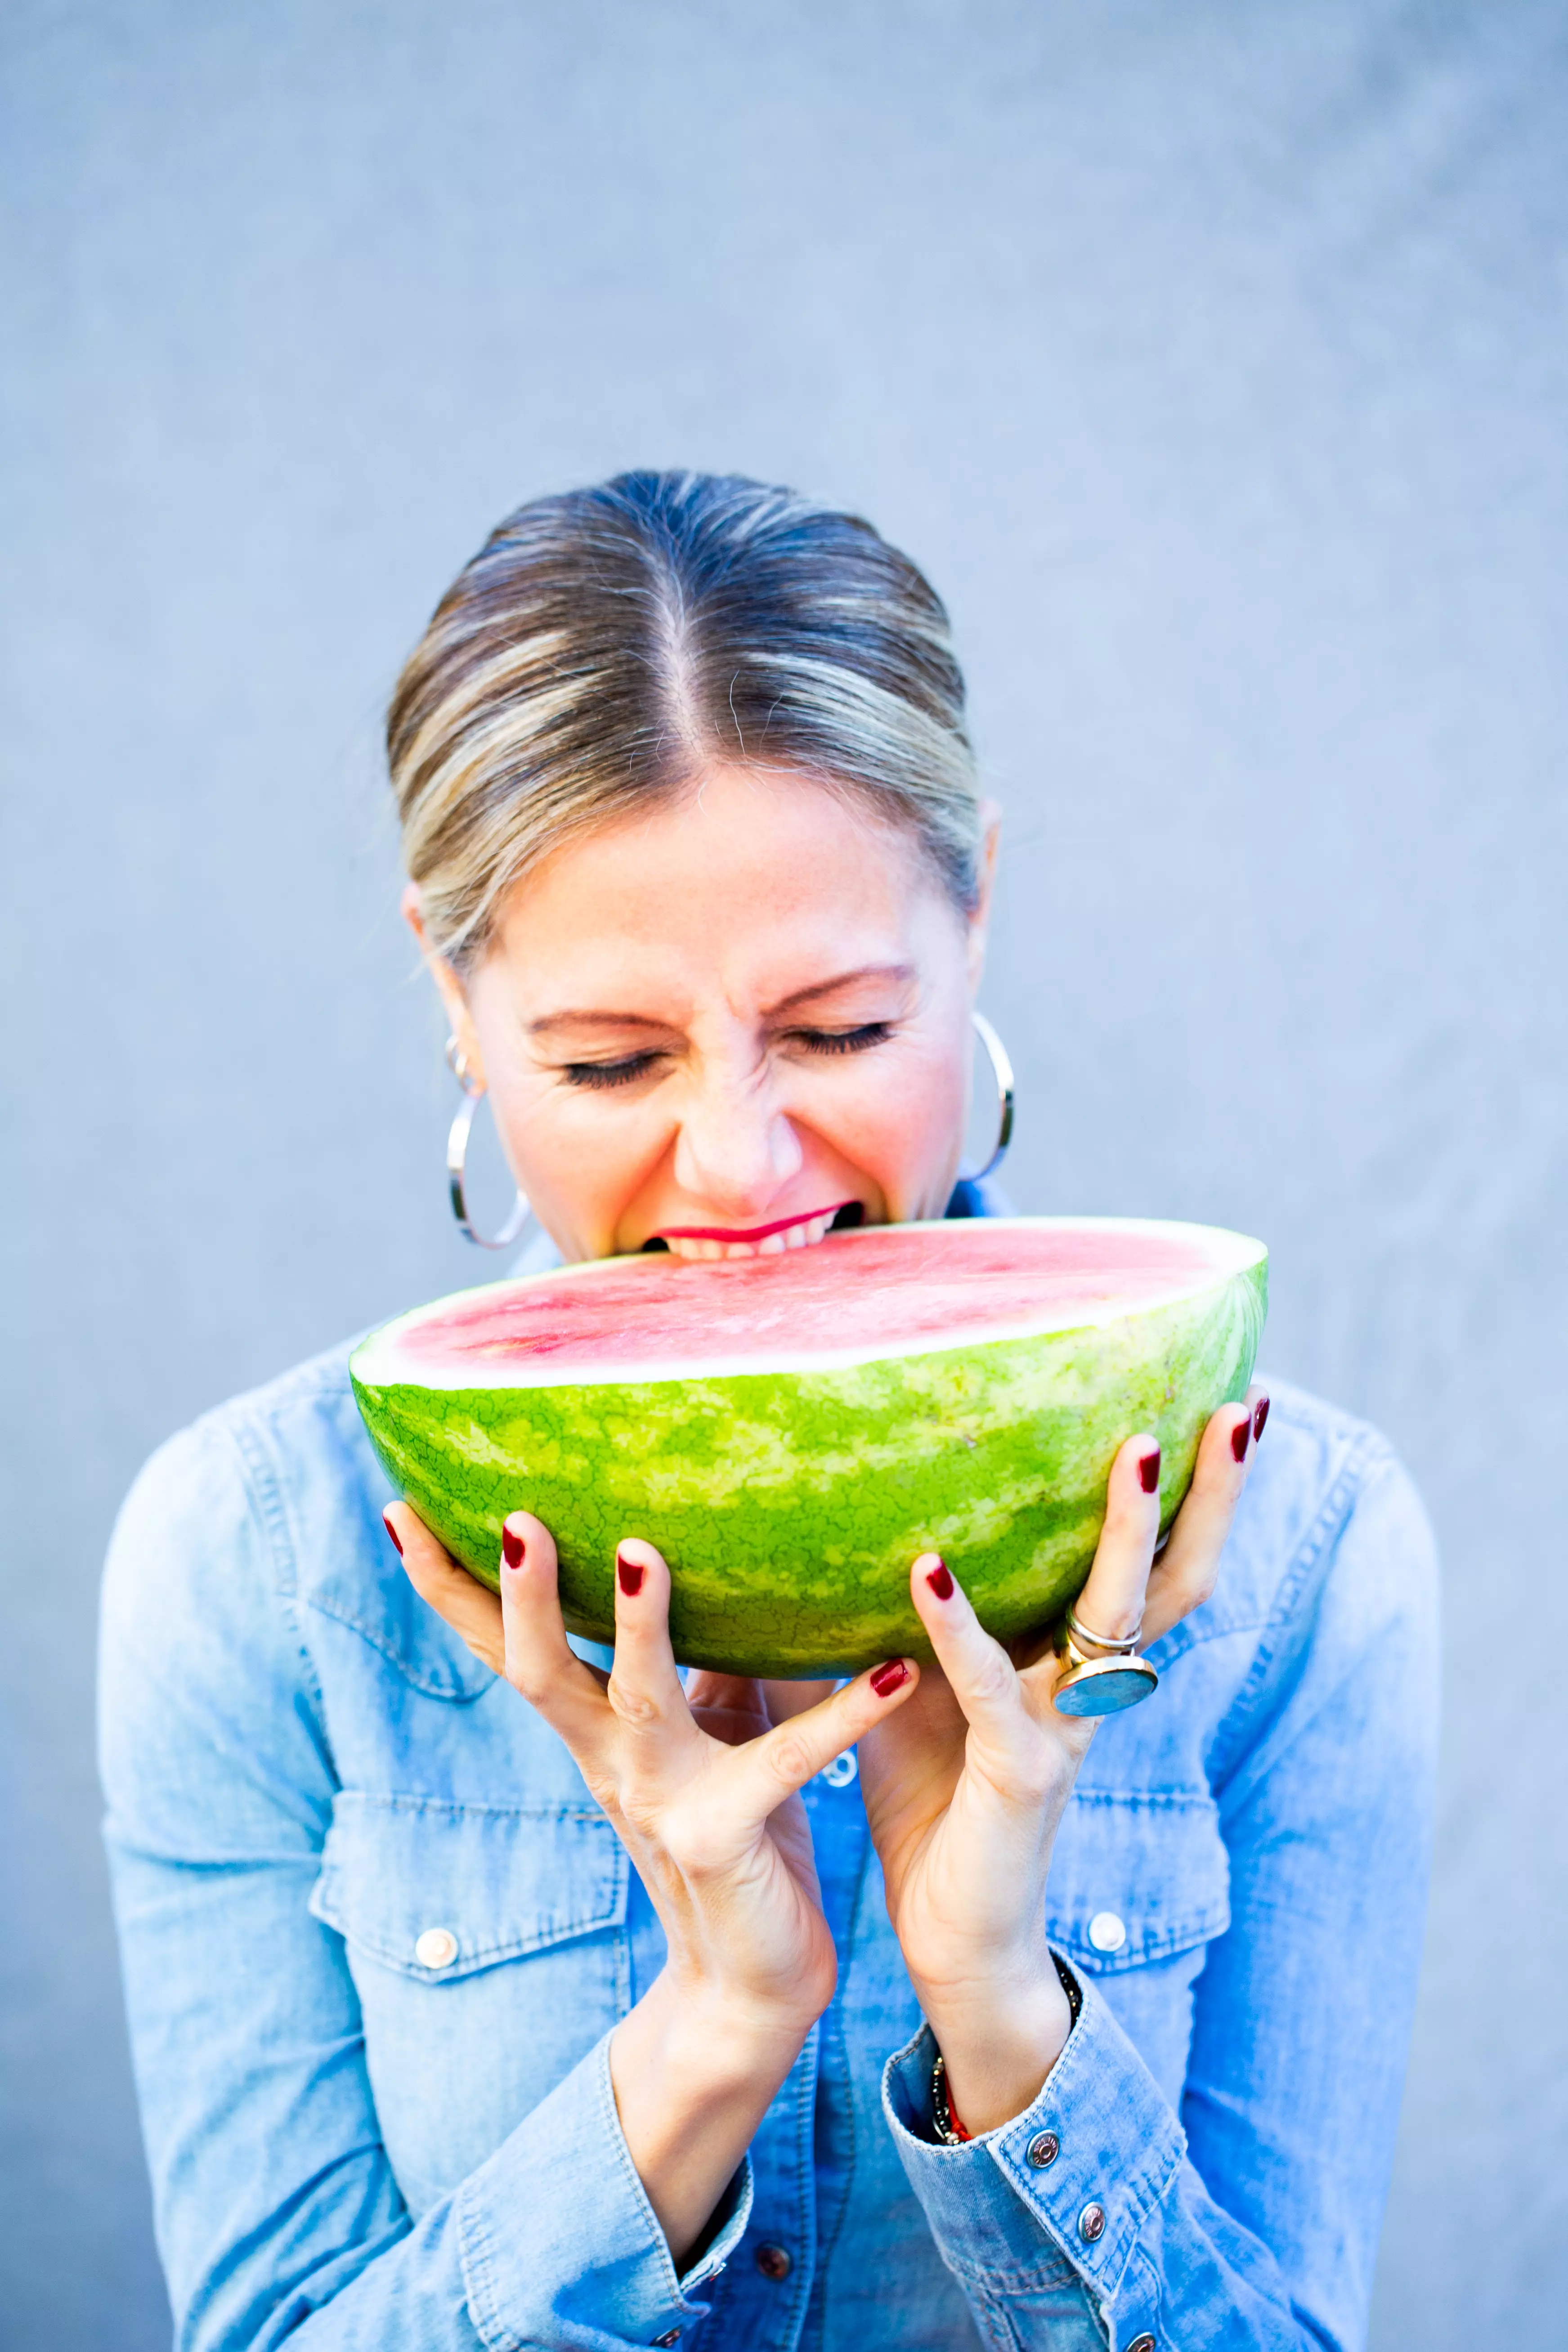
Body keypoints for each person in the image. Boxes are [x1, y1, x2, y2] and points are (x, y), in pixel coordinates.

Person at [100, 472, 1438, 2352]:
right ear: (452, 991)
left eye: (834, 1030)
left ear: (973, 909)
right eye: (606, 1056)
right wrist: (711, 2034)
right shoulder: (258, 1554)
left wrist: (997, 2006)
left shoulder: (1296, 1545)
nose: (734, 1159)